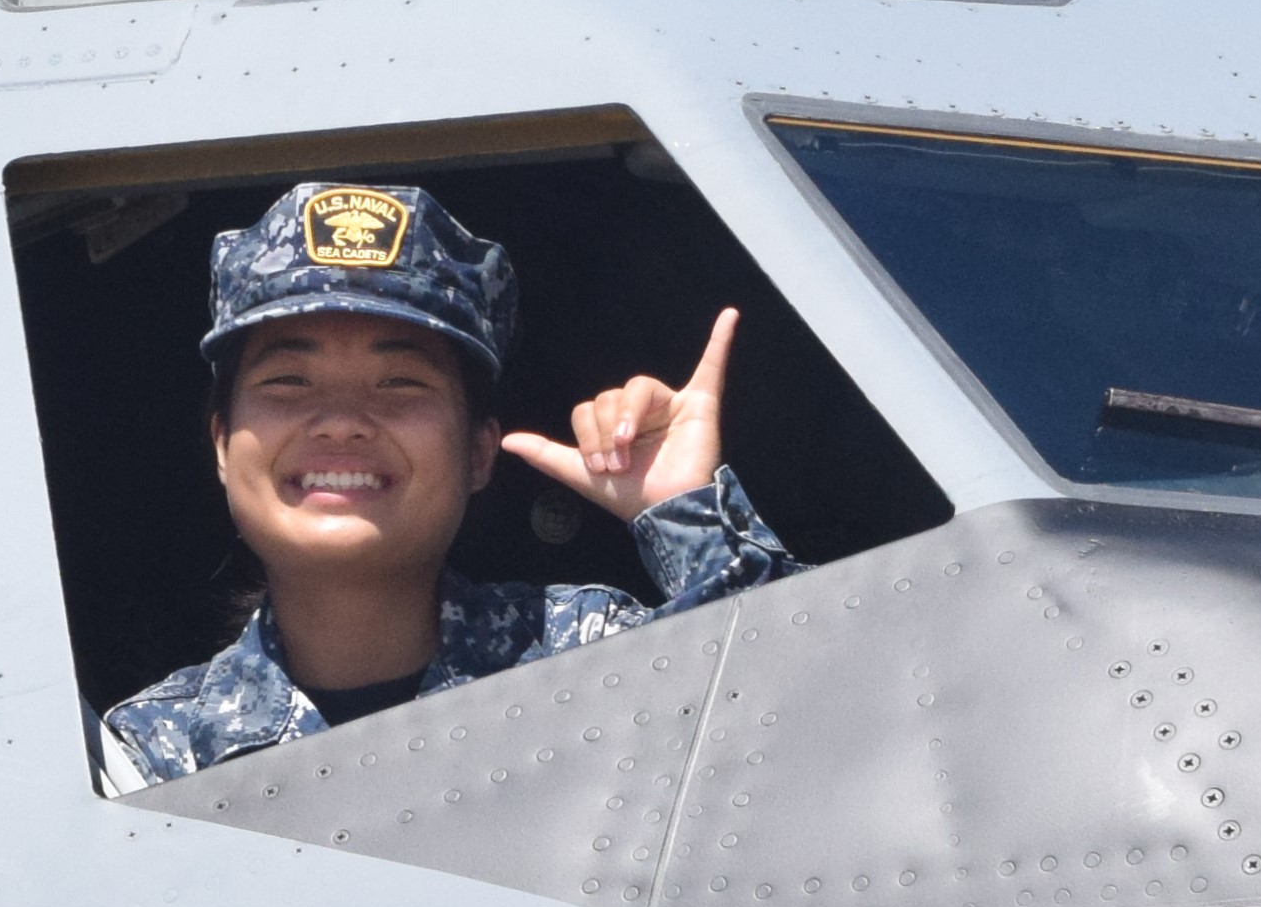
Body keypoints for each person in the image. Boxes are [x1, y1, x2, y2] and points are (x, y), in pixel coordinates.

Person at [100, 181, 803, 789]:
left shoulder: (592, 656)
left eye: (400, 383)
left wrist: (685, 513)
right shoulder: (153, 754)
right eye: (289, 381)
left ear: (478, 452)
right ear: (223, 445)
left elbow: (817, 740)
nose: (342, 422)